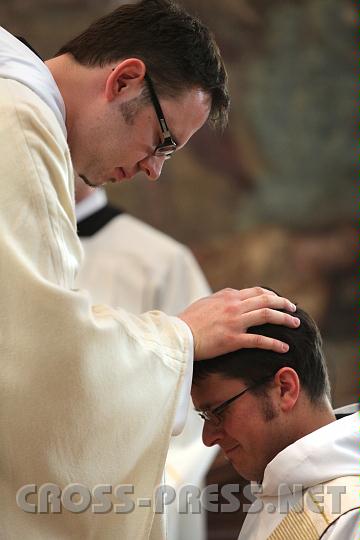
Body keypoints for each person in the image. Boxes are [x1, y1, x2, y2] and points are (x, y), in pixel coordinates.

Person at [0, 1, 300, 538]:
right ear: (125, 80)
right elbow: (36, 356)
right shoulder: (19, 118)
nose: (154, 170)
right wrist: (180, 338)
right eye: (163, 141)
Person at [75, 180, 218, 540]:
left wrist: (144, 491)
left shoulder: (161, 261)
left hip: (125, 498)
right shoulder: (17, 249)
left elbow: (198, 394)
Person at [192, 301, 359, 539]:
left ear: (285, 389)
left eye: (218, 412)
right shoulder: (276, 490)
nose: (208, 438)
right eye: (204, 416)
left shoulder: (350, 517)